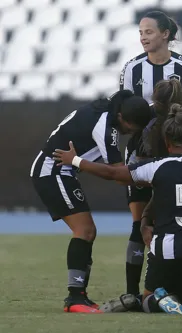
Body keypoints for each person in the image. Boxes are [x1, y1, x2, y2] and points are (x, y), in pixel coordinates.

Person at [53, 102, 182, 316]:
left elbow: (113, 174)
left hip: (163, 249)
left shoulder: (154, 167)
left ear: (166, 141)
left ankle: (162, 300)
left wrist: (76, 160)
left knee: (147, 299)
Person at [119, 10, 182, 298]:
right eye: (140, 32)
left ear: (166, 35)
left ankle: (180, 286)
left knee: (177, 222)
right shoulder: (132, 69)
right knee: (138, 225)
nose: (143, 37)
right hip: (140, 155)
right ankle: (133, 293)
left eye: (148, 32)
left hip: (176, 158)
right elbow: (121, 113)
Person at [30, 90, 151, 313]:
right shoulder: (106, 126)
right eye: (130, 128)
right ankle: (75, 298)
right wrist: (153, 178)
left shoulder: (108, 111)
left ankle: (78, 295)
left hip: (62, 171)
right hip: (52, 171)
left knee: (88, 231)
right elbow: (117, 175)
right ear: (123, 118)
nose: (129, 133)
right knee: (84, 230)